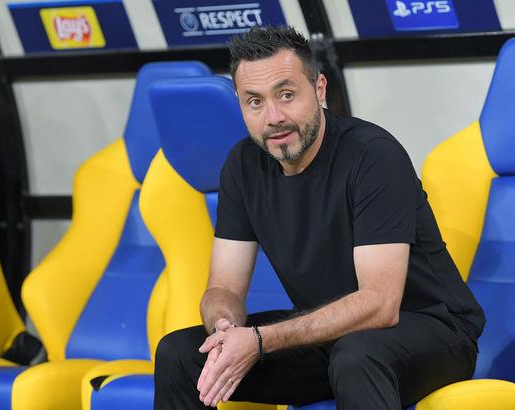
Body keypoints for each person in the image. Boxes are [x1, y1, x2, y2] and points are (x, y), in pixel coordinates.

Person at [153, 26, 485, 410]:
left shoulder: (373, 156)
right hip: (331, 336)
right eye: (254, 102)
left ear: (320, 89)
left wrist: (260, 340)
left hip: (432, 331)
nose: (273, 117)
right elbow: (223, 288)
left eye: (287, 95)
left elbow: (381, 304)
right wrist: (223, 328)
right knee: (180, 354)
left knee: (357, 357)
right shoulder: (242, 167)